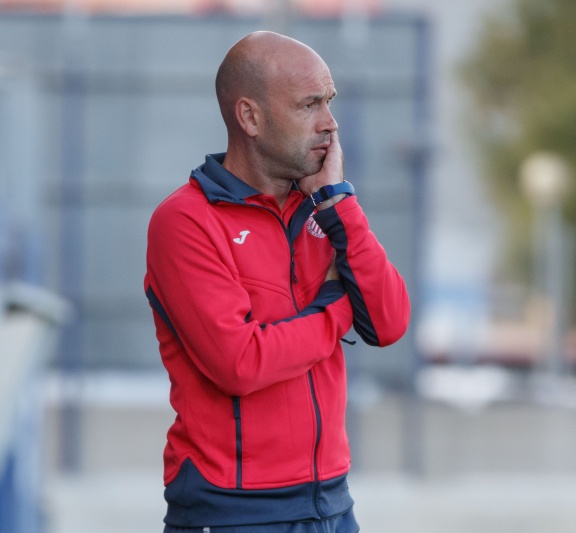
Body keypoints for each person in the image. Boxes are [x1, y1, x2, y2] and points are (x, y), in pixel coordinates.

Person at [143, 31, 411, 532]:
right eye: (309, 105)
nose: (329, 123)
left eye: (329, 101)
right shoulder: (184, 221)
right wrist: (335, 304)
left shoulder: (325, 210)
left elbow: (389, 323)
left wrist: (340, 205)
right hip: (235, 513)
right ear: (250, 118)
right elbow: (240, 363)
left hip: (332, 504)